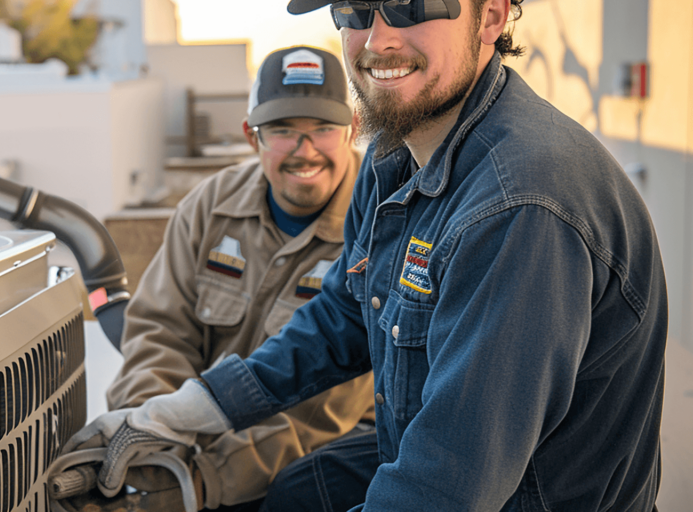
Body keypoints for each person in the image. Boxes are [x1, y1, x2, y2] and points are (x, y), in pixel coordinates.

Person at [64, 0, 668, 511]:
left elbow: (447, 482)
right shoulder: (395, 159)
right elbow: (341, 321)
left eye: (413, 5)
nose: (378, 38)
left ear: (491, 16)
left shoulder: (520, 205)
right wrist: (186, 411)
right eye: (354, 7)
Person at [102, 46, 377, 510]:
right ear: (252, 136)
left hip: (320, 452)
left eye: (323, 130)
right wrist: (152, 436)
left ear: (353, 128)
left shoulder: (376, 222)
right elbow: (159, 329)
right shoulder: (210, 205)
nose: (303, 150)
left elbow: (326, 408)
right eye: (284, 131)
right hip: (199, 442)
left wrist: (206, 477)